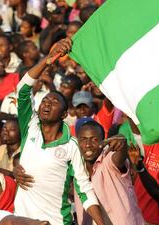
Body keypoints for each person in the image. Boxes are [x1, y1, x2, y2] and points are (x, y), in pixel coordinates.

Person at [13, 38, 106, 225]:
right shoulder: (29, 126)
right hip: (23, 220)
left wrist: (101, 223)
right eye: (45, 101)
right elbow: (22, 89)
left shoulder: (72, 146)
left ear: (64, 114)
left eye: (54, 102)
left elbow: (84, 188)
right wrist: (48, 59)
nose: (47, 104)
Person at [75, 120, 145, 225]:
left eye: (94, 139)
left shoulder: (109, 160)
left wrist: (122, 143)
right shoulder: (76, 167)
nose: (88, 145)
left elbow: (120, 155)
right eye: (83, 139)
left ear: (103, 141)